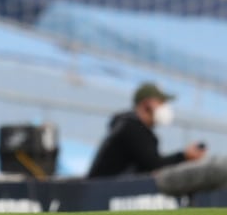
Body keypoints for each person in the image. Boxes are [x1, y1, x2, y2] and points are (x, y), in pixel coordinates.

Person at [88, 82, 227, 196]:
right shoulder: (131, 128)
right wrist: (184, 156)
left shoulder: (130, 126)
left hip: (103, 190)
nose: (165, 107)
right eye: (161, 102)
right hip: (100, 193)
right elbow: (155, 166)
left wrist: (184, 156)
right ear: (146, 104)